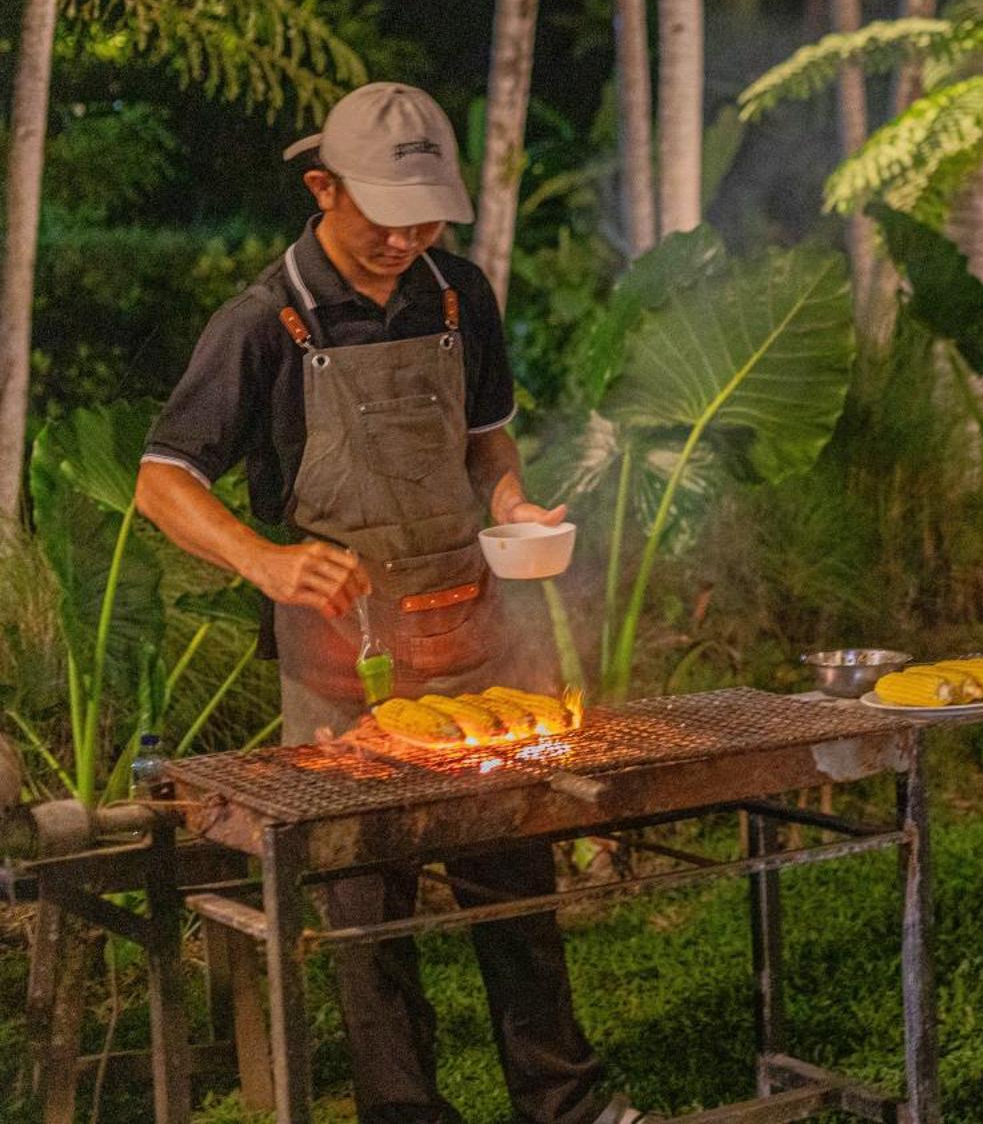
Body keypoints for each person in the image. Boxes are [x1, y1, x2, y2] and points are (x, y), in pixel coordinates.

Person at [136, 83, 653, 1124]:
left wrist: (511, 502)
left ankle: (563, 1103)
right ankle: (404, 1114)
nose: (404, 240)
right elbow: (161, 478)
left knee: (518, 887)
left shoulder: (457, 293)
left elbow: (485, 438)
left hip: (473, 632)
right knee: (368, 917)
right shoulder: (261, 321)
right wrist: (268, 562)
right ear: (323, 188)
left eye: (424, 220)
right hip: (343, 662)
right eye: (384, 220)